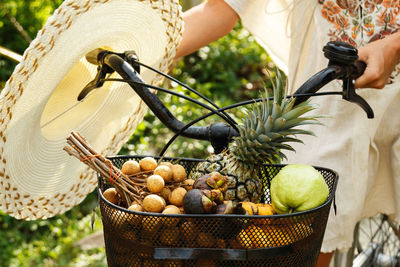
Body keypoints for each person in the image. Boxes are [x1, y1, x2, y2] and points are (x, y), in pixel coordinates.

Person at [175, 1, 400, 266]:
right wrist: (137, 52)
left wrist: (394, 45)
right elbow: (220, 10)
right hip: (326, 104)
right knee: (306, 234)